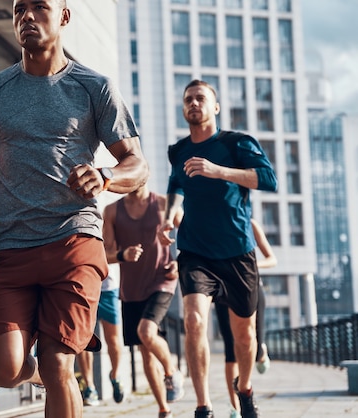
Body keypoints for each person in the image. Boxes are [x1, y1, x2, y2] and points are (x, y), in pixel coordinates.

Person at [0, 1, 149, 416]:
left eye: (40, 7)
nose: (27, 16)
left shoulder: (93, 86)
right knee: (4, 368)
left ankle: (56, 372)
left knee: (59, 360)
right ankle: (47, 375)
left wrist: (105, 177)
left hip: (73, 241)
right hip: (11, 246)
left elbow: (137, 165)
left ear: (63, 17)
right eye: (19, 9)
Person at [158, 79, 277, 418]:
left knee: (244, 336)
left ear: (215, 107)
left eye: (200, 98)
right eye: (188, 100)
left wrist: (218, 171)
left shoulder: (237, 143)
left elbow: (268, 180)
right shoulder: (178, 151)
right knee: (194, 321)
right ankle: (203, 405)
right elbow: (175, 184)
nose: (194, 104)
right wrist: (168, 218)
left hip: (238, 250)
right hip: (195, 250)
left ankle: (245, 388)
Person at [103, 184, 185, 418]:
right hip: (131, 289)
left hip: (162, 281)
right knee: (145, 350)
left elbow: (193, 236)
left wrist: (180, 263)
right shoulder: (111, 211)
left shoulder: (163, 205)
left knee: (146, 332)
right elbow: (104, 254)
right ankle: (163, 409)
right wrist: (121, 255)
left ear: (144, 175)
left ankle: (171, 372)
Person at [216, 218, 276, 418]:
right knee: (230, 350)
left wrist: (248, 264)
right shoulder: (213, 225)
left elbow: (272, 258)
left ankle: (261, 351)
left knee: (253, 345)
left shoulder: (250, 224)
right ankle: (235, 406)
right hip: (224, 291)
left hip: (251, 289)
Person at [76, 274, 125, 407]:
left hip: (108, 289)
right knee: (84, 340)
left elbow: (122, 255)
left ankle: (114, 375)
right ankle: (90, 387)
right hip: (84, 288)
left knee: (113, 340)